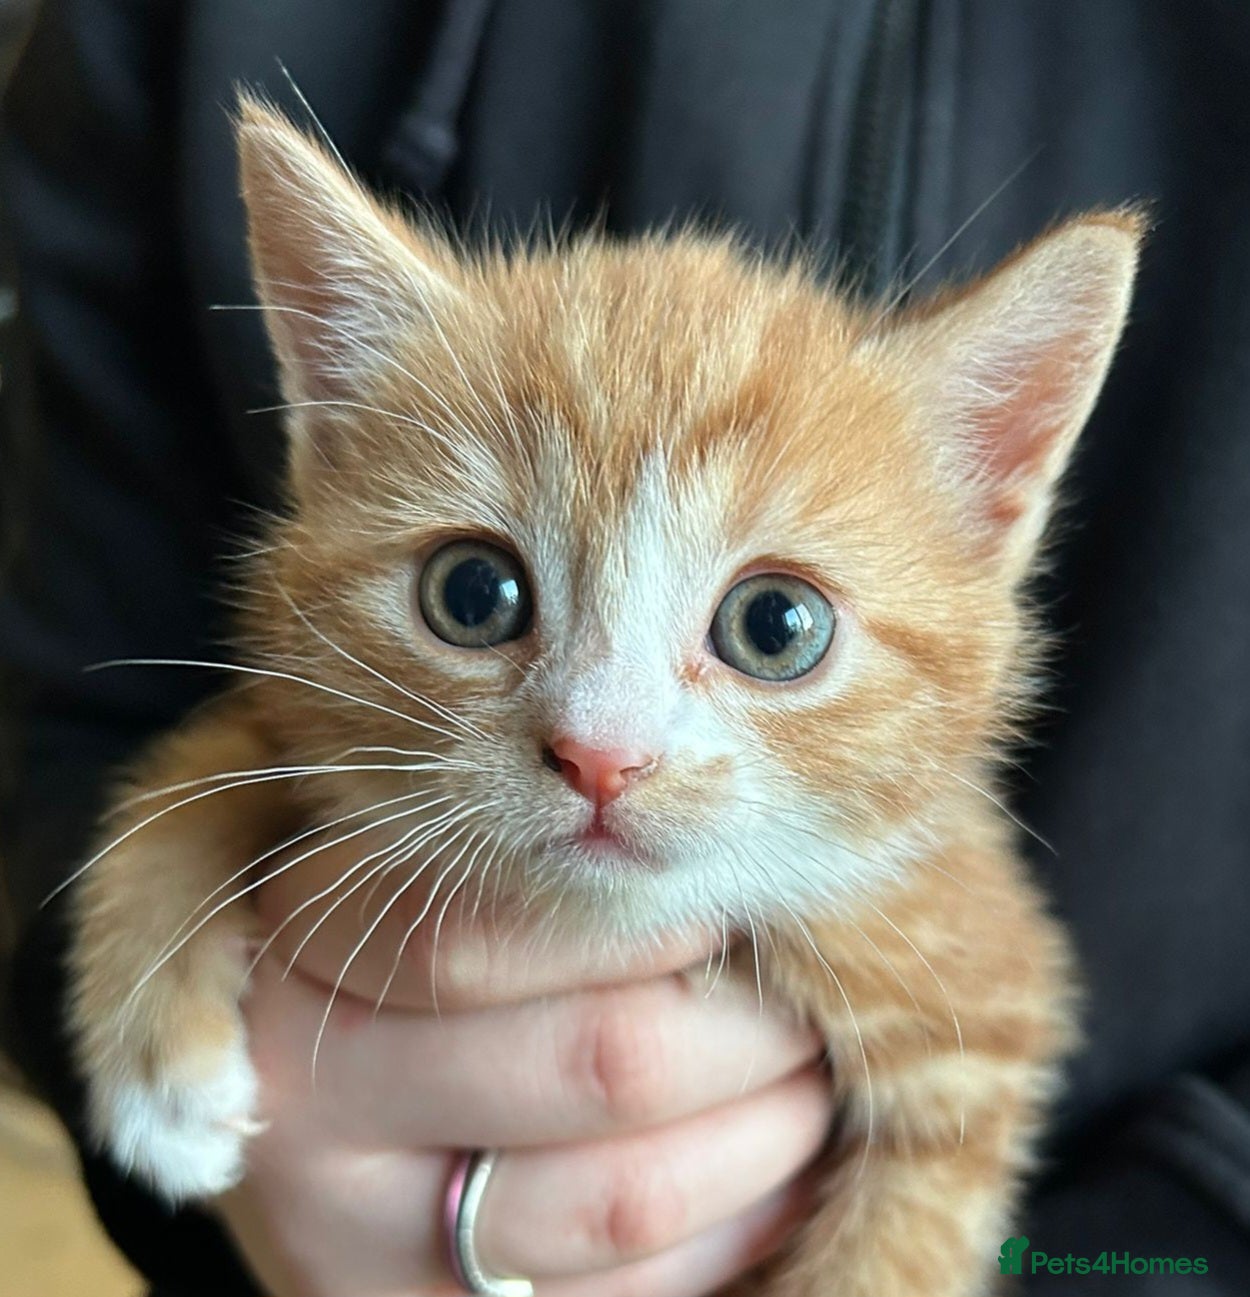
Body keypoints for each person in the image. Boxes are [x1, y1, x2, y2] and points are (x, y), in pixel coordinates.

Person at [2, 3, 1248, 1295]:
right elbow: (162, 735)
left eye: (771, 626)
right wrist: (151, 935)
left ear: (992, 479)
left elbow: (971, 1083)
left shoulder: (898, 906)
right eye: (478, 596)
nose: (600, 741)